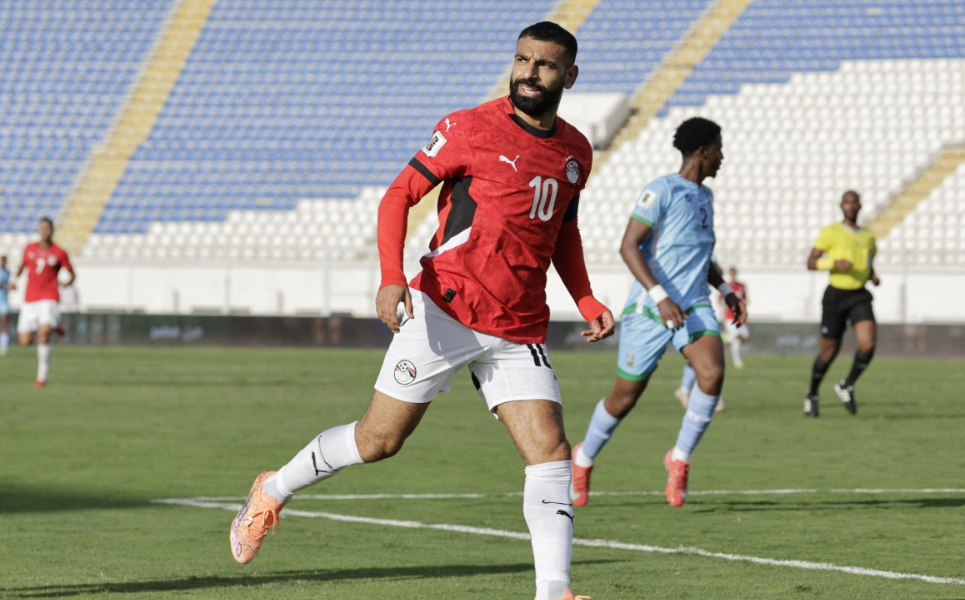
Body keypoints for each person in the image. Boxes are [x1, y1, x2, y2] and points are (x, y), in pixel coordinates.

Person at [229, 22, 613, 600]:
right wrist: (391, 277)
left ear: (570, 76)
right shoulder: (468, 127)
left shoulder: (575, 151)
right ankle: (272, 490)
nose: (529, 73)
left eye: (545, 65)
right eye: (522, 60)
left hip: (518, 325)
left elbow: (563, 231)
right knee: (378, 441)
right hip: (444, 308)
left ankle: (553, 591)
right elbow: (397, 196)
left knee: (550, 453)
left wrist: (585, 298)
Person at [570, 117, 746, 509]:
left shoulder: (706, 196)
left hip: (694, 303)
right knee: (624, 398)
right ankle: (583, 459)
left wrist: (725, 291)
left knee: (712, 374)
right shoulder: (661, 190)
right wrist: (661, 296)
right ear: (702, 151)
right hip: (651, 309)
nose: (722, 157)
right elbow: (628, 246)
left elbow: (700, 256)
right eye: (719, 149)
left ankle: (679, 459)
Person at [803, 190, 878, 417]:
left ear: (860, 206)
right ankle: (812, 394)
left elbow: (868, 262)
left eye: (854, 202)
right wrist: (834, 263)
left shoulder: (869, 237)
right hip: (836, 294)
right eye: (847, 202)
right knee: (829, 351)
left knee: (868, 344)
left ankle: (847, 384)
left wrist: (873, 275)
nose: (851, 205)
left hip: (859, 294)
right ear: (841, 205)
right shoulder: (831, 232)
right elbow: (811, 262)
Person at [16, 217, 75, 387]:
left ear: (52, 230)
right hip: (30, 299)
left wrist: (67, 283)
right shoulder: (29, 248)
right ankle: (54, 325)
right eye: (42, 228)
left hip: (49, 297)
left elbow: (72, 273)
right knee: (25, 342)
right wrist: (14, 279)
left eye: (47, 228)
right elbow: (22, 266)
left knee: (43, 334)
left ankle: (41, 377)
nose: (44, 231)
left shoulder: (59, 252)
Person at [721, 266, 748, 369]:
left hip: (740, 317)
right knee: (736, 340)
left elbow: (745, 299)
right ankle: (737, 362)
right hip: (730, 317)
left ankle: (725, 337)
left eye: (734, 273)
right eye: (731, 274)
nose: (733, 276)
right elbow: (720, 299)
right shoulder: (726, 287)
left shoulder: (742, 286)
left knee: (745, 337)